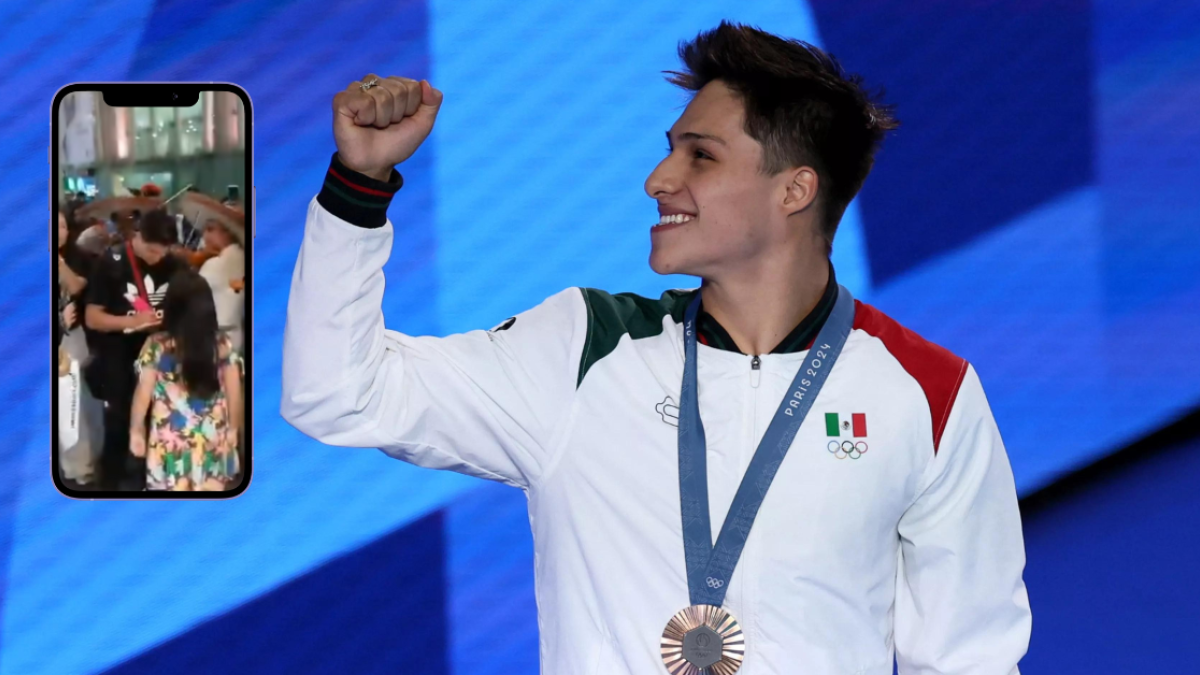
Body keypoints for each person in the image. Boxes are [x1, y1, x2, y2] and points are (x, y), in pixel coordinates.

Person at [281, 22, 1031, 673]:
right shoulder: (581, 350)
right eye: (670, 150)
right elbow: (338, 392)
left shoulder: (928, 393)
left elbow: (969, 661)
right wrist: (359, 183)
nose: (657, 179)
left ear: (795, 190)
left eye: (700, 156)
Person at [85, 209, 184, 491]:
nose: (157, 258)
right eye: (152, 250)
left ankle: (150, 481)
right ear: (138, 236)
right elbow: (93, 317)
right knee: (119, 422)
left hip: (160, 358)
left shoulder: (173, 264)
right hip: (119, 357)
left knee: (158, 420)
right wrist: (131, 321)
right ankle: (113, 484)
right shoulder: (111, 262)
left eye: (163, 252)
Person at [130, 270, 242, 491]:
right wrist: (234, 429)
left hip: (169, 443)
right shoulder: (222, 345)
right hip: (212, 436)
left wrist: (136, 430)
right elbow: (234, 392)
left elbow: (143, 393)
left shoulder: (156, 345)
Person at [57, 209, 103, 487]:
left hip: (72, 341)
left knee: (77, 404)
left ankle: (84, 465)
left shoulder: (78, 258)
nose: (58, 230)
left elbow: (76, 286)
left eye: (62, 226)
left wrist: (58, 260)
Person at [196, 218, 246, 351]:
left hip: (217, 341)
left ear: (228, 232)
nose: (205, 236)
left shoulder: (216, 264)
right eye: (204, 231)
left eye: (211, 229)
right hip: (236, 336)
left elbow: (189, 292)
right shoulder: (241, 256)